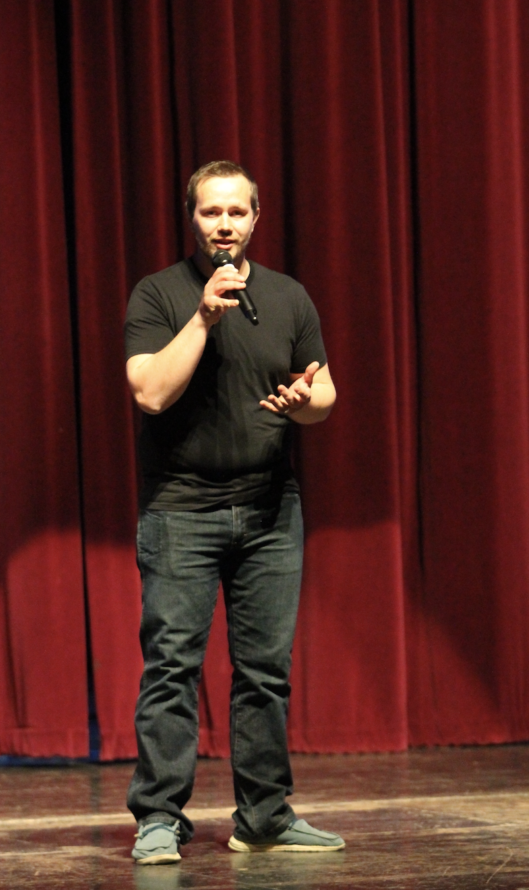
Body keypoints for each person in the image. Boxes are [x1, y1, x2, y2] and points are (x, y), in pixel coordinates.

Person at [124, 160, 343, 865]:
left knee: (265, 672)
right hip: (181, 511)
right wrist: (203, 318)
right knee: (171, 667)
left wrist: (303, 402)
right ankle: (159, 818)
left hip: (270, 510)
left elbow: (324, 393)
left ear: (255, 218)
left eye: (236, 212)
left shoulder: (287, 296)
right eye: (210, 212)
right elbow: (150, 392)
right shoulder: (160, 294)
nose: (224, 225)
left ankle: (264, 816)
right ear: (192, 217)